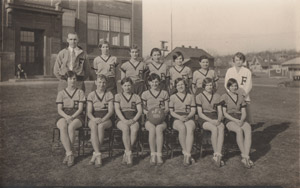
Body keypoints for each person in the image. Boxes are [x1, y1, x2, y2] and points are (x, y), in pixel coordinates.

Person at [221, 78, 254, 168]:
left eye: (235, 86)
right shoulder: (224, 96)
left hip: (240, 118)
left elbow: (243, 112)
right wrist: (235, 121)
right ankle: (245, 156)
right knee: (239, 130)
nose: (234, 88)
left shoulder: (240, 97)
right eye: (232, 86)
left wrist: (242, 120)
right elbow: (224, 113)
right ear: (228, 87)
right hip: (229, 118)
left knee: (248, 129)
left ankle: (246, 156)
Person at [56, 71, 85, 167]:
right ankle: (70, 153)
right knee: (63, 126)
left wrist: (72, 117)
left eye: (74, 79)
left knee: (71, 126)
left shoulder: (80, 92)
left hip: (77, 114)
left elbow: (80, 109)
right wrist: (66, 116)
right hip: (64, 114)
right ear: (66, 80)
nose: (72, 81)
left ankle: (68, 154)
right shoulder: (61, 93)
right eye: (70, 79)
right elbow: (59, 110)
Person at [196, 78, 225, 167]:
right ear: (204, 86)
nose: (210, 87)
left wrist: (219, 120)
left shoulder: (217, 96)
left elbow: (220, 111)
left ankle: (218, 154)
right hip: (204, 118)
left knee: (221, 127)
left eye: (211, 85)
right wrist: (211, 121)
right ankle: (216, 154)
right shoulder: (199, 96)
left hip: (215, 116)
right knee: (214, 129)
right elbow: (200, 113)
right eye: (208, 85)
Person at [141, 73, 169, 166]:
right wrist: (149, 114)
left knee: (159, 129)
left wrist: (161, 113)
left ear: (159, 82)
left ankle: (159, 154)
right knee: (152, 129)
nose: (155, 84)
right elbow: (143, 109)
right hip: (149, 119)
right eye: (152, 82)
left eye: (156, 82)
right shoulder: (145, 94)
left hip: (161, 119)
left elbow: (167, 108)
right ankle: (153, 154)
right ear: (149, 83)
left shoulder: (164, 93)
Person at [87, 74, 114, 168]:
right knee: (94, 126)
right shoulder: (91, 95)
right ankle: (98, 154)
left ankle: (95, 154)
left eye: (103, 82)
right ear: (95, 82)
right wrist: (94, 119)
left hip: (106, 118)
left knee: (101, 126)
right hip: (94, 117)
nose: (101, 84)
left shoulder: (109, 94)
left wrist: (103, 119)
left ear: (106, 84)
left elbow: (111, 111)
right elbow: (89, 112)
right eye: (99, 82)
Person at [114, 77, 143, 166]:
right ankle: (129, 154)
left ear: (132, 86)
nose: (127, 87)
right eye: (125, 85)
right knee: (126, 128)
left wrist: (134, 120)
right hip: (121, 118)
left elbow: (140, 111)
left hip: (133, 117)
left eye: (129, 85)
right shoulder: (118, 96)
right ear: (122, 86)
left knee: (134, 129)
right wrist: (124, 120)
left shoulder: (136, 96)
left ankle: (127, 153)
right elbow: (117, 109)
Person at [169, 78, 196, 166]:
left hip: (189, 116)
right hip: (177, 117)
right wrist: (180, 117)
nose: (180, 86)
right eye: (178, 85)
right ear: (175, 87)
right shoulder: (173, 97)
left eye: (182, 84)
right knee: (182, 128)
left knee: (190, 128)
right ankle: (185, 152)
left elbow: (193, 110)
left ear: (185, 85)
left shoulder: (190, 96)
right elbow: (171, 112)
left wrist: (188, 117)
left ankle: (187, 155)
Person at [224, 52, 253, 124]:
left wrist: (243, 95)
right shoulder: (230, 71)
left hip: (244, 97)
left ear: (243, 61)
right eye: (236, 60)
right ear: (234, 61)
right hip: (232, 96)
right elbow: (226, 84)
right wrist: (231, 94)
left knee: (245, 117)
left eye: (240, 60)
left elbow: (249, 85)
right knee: (233, 114)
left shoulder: (247, 71)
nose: (238, 62)